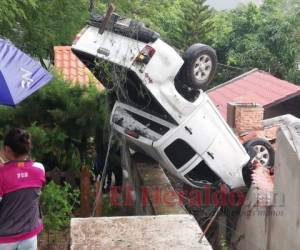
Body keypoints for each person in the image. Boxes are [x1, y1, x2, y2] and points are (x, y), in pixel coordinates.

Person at [0, 128, 45, 250]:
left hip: (5, 239)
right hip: (29, 235)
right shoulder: (39, 169)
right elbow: (19, 170)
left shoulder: (1, 174)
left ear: (8, 149)